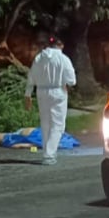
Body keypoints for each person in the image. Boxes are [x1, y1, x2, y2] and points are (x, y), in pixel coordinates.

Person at [25, 35, 76, 166]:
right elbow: (71, 80)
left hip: (41, 92)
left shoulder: (38, 58)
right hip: (58, 91)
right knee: (58, 125)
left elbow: (31, 77)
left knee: (45, 123)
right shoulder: (63, 59)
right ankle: (49, 154)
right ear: (61, 46)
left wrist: (28, 95)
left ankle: (46, 152)